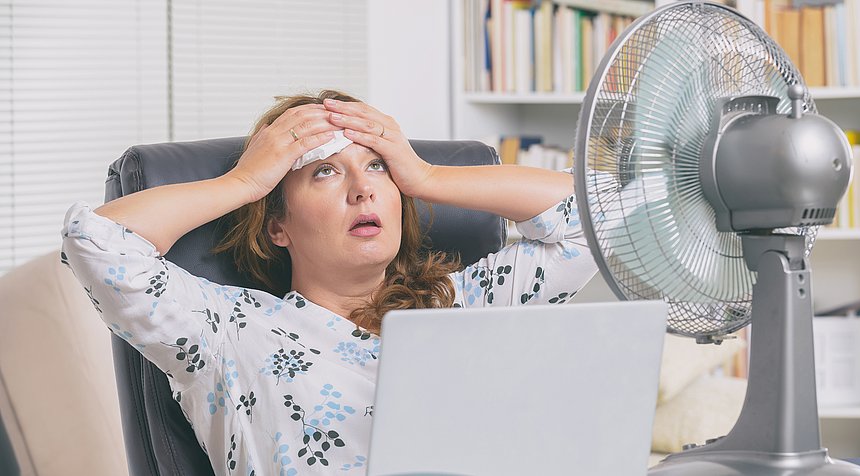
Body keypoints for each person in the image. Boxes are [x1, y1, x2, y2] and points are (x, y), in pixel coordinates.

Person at [61, 90, 598, 475]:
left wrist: (426, 174)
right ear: (278, 226)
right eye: (325, 171)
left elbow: (598, 218)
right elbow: (97, 240)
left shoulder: (462, 302)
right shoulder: (226, 331)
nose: (364, 189)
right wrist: (245, 180)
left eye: (377, 168)